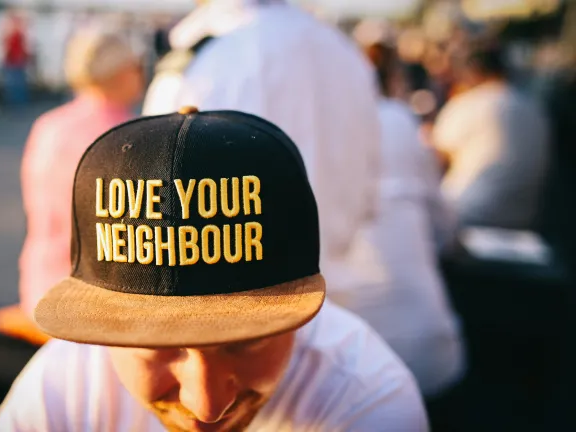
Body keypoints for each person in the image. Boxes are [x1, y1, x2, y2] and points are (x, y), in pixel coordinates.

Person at [0, 107, 429, 431]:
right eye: (157, 346)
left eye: (246, 342)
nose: (206, 405)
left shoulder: (366, 401)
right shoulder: (60, 391)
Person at [142, 0, 386, 316]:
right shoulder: (344, 52)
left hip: (229, 312)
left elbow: (156, 187)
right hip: (334, 301)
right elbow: (371, 188)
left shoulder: (206, 55)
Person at [0, 28, 144, 341]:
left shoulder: (48, 125)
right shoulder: (128, 135)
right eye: (137, 66)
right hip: (94, 297)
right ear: (121, 71)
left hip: (39, 281)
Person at [351, 42, 465, 397]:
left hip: (359, 373)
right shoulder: (399, 120)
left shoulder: (320, 132)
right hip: (435, 355)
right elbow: (443, 223)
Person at [430, 42, 550, 230]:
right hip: (524, 219)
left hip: (467, 214)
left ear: (472, 72)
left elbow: (436, 161)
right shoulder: (534, 107)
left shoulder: (467, 104)